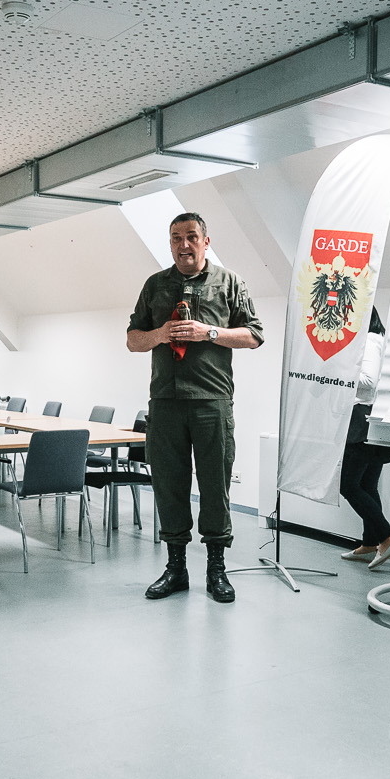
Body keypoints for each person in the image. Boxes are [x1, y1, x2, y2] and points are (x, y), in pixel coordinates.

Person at [125, 211, 264, 603]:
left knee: (215, 486)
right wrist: (159, 333)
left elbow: (254, 335)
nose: (183, 245)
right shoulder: (155, 285)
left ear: (205, 241)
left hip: (211, 402)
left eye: (190, 237)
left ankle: (216, 569)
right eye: (175, 238)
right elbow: (133, 340)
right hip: (165, 402)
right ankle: (176, 569)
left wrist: (210, 332)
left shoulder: (229, 282)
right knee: (169, 486)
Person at [339, 307, 390, 569]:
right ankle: (369, 543)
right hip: (373, 421)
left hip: (362, 423)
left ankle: (387, 537)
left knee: (348, 486)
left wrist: (337, 372)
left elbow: (368, 382)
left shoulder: (368, 342)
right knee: (367, 485)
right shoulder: (379, 340)